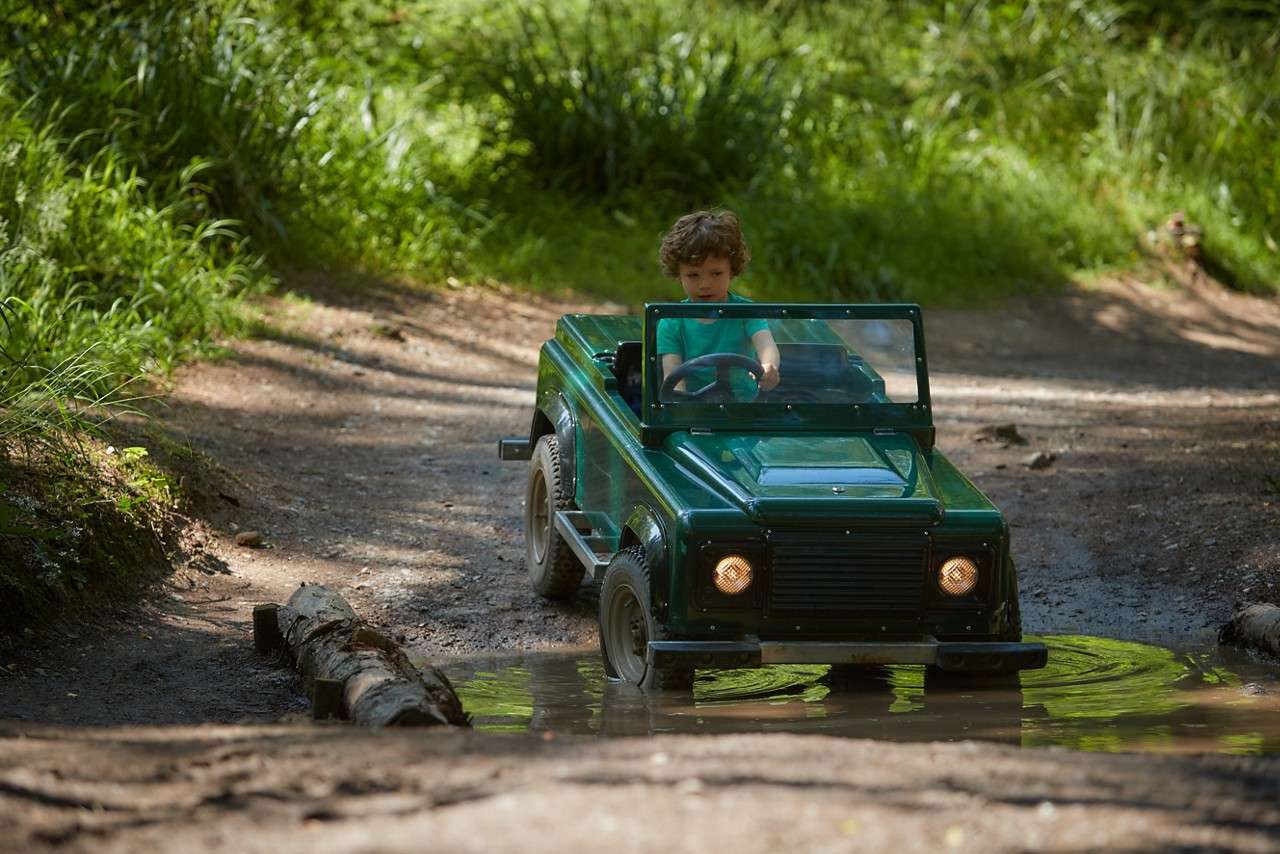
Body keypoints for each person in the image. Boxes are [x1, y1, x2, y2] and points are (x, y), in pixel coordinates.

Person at [655, 210, 780, 400]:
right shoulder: (671, 322)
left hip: (745, 408)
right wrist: (681, 410)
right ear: (679, 275)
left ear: (732, 270)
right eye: (693, 275)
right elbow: (673, 379)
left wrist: (769, 367)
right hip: (694, 411)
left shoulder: (745, 312)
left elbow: (766, 345)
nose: (705, 284)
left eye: (716, 273)